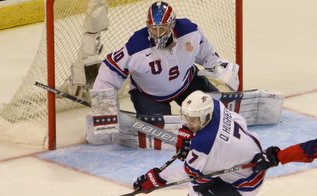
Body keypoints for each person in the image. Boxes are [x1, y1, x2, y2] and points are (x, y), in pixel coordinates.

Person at [132, 91, 266, 196]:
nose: (188, 122)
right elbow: (240, 122)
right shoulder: (215, 105)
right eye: (186, 118)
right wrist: (187, 133)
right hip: (247, 157)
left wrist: (157, 178)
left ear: (205, 117)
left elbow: (186, 174)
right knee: (197, 183)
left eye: (193, 120)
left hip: (245, 182)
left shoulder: (205, 143)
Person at [92, 1, 239, 117]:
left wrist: (218, 67)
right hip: (149, 96)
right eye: (153, 28)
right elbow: (110, 69)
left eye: (161, 28)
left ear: (172, 25)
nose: (157, 33)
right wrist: (103, 103)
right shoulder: (136, 46)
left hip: (187, 84)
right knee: (159, 134)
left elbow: (206, 53)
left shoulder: (189, 32)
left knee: (217, 113)